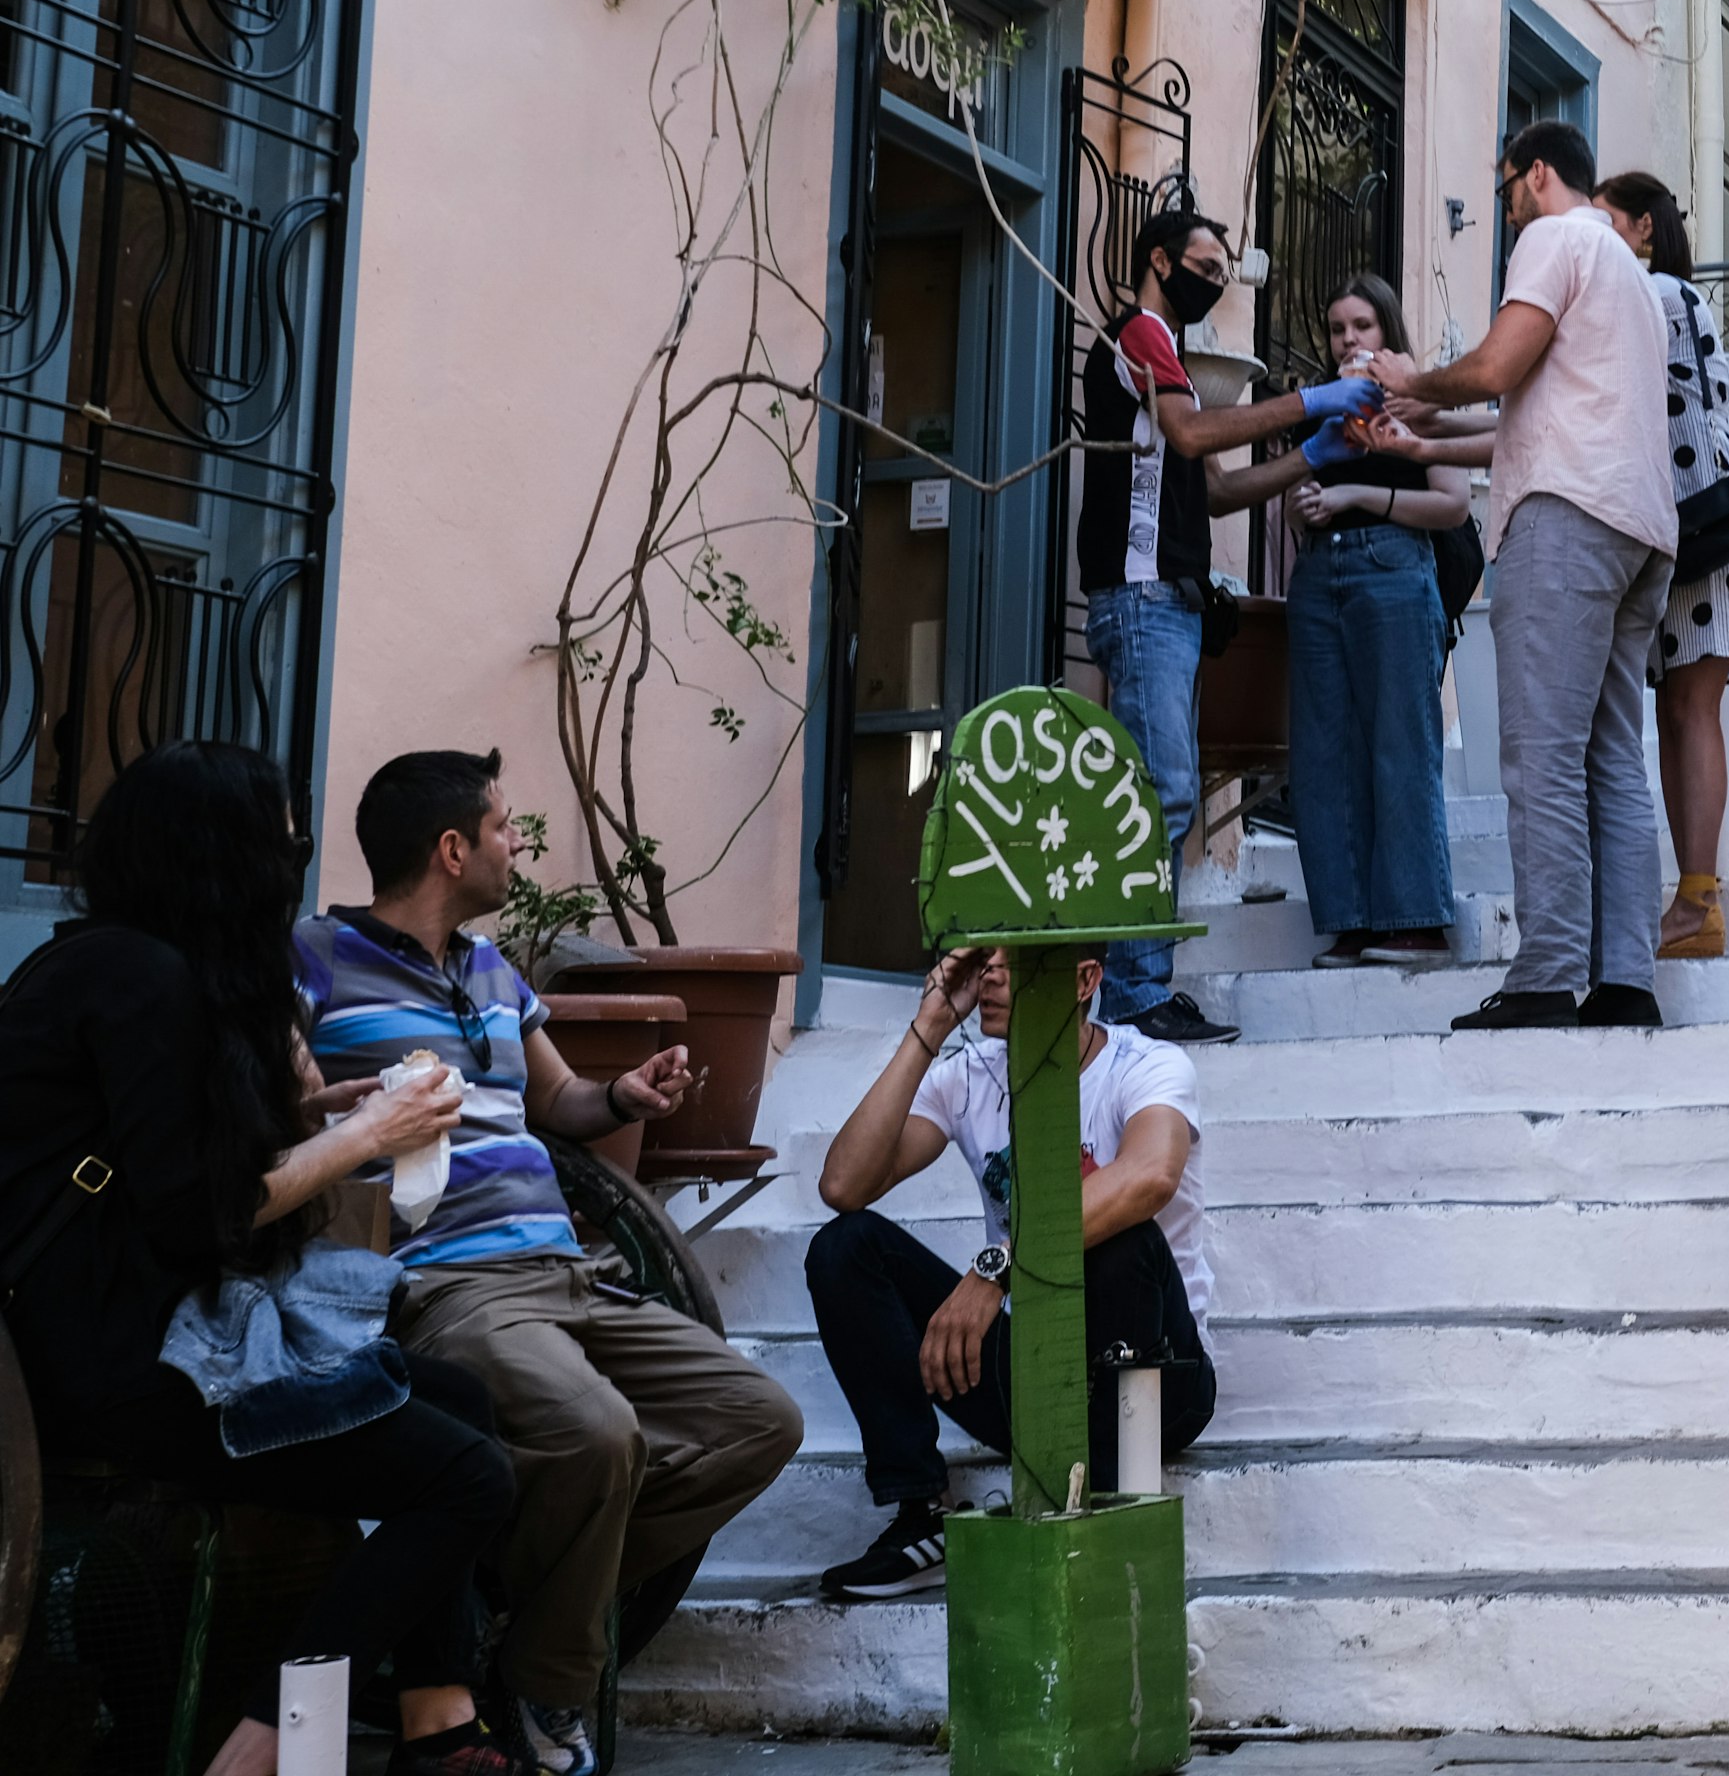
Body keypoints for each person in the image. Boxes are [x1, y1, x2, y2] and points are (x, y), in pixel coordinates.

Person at [0, 744, 523, 1776]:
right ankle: (273, 1744)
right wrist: (365, 1137)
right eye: (282, 839)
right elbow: (202, 1216)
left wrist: (314, 1110)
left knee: (459, 1401)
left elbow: (177, 1168)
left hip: (132, 1334)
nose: (293, 859)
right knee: (467, 1477)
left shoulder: (117, 962)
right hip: (108, 1368)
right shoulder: (138, 976)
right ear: (223, 856)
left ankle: (434, 1721)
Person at [299, 750, 803, 1772]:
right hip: (447, 1283)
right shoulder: (313, 961)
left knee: (758, 1419)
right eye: (503, 827)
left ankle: (507, 1601)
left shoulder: (493, 971)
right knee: (596, 1430)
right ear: (452, 849)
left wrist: (625, 1097)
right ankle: (546, 1690)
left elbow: (558, 1102)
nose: (515, 844)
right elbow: (275, 1111)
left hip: (571, 1272)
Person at [1369, 120, 1679, 1031]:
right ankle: (1626, 979)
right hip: (1637, 529)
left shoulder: (1552, 238)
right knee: (1615, 757)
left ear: (1538, 174)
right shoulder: (1630, 270)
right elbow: (1537, 411)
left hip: (1564, 521)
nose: (1505, 209)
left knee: (1540, 756)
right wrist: (1424, 442)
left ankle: (1545, 974)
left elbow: (1499, 368)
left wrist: (1410, 377)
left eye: (1508, 186)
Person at [803, 943, 1218, 1597]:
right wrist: (928, 1027)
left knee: (1120, 1240)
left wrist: (996, 1270)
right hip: (1030, 1377)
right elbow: (843, 1184)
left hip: (1154, 1379)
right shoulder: (971, 1075)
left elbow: (1150, 1176)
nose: (989, 975)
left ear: (1084, 980)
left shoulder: (1147, 1063)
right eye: (980, 960)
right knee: (844, 1247)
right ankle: (921, 1515)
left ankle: (1116, 1510)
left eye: (1012, 961)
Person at [1079, 204, 1381, 1042]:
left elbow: (1212, 488)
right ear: (1158, 259)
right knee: (1159, 795)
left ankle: (1134, 986)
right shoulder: (1139, 332)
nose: (1214, 281)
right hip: (1139, 595)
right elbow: (1188, 432)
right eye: (1204, 266)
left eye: (1223, 270)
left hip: (1168, 599)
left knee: (1158, 795)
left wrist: (1312, 457)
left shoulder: (1170, 353)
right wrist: (1306, 402)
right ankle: (1135, 995)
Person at [1596, 169, 1729, 961]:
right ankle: (1692, 899)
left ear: (1643, 228)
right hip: (1692, 521)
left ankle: (1700, 898)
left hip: (1701, 519)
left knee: (1690, 709)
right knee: (1679, 710)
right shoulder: (1667, 295)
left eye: (1604, 222)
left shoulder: (1657, 294)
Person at [1265, 273, 1466, 968]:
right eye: (1337, 328)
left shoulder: (1418, 401)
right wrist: (1305, 506)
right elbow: (1296, 490)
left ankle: (1415, 920)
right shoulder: (1315, 407)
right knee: (1323, 750)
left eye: (1363, 326)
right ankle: (1349, 921)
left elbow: (1453, 505)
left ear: (1388, 331)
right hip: (1320, 571)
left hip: (1394, 567)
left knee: (1399, 740)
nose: (1348, 339)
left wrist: (1360, 492)